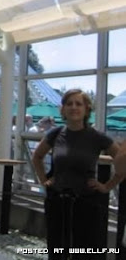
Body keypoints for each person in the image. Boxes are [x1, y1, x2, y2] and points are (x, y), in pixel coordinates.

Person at [32, 89, 121, 259]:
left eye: (78, 104)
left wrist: (107, 186)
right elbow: (37, 156)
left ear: (87, 109)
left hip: (86, 204)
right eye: (69, 103)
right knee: (57, 251)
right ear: (63, 109)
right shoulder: (56, 134)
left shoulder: (97, 137)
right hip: (58, 203)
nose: (74, 107)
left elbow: (122, 161)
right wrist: (44, 180)